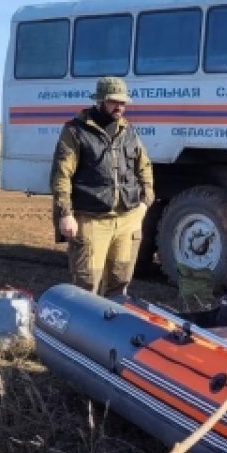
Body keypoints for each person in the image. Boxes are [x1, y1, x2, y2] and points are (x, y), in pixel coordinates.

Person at [50, 76, 154, 297]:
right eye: (114, 102)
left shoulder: (128, 130)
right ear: (100, 101)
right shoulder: (75, 131)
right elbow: (62, 175)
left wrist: (145, 202)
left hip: (127, 219)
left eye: (123, 102)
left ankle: (111, 327)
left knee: (120, 282)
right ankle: (82, 329)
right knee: (86, 285)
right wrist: (65, 214)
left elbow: (144, 166)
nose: (120, 107)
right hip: (91, 220)